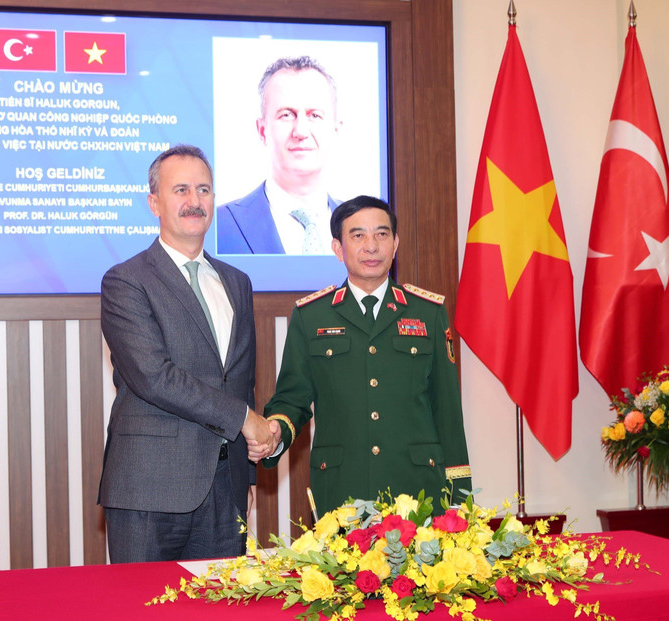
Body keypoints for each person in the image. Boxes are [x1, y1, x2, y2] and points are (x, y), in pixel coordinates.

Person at [98, 144, 278, 563]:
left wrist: (246, 475)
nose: (194, 201)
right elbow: (153, 376)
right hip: (149, 489)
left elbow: (240, 381)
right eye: (180, 190)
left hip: (225, 491)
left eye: (204, 190)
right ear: (154, 203)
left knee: (220, 600)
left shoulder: (237, 282)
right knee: (140, 600)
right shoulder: (126, 280)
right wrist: (245, 419)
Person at [262, 195, 472, 516]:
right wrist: (277, 430)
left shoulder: (428, 312)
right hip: (342, 490)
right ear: (338, 248)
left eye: (381, 234)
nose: (371, 246)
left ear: (395, 244)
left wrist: (459, 498)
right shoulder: (312, 316)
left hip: (417, 490)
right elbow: (292, 398)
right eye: (358, 235)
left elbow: (447, 411)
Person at [216, 56, 342, 255]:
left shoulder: (365, 224)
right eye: (286, 115)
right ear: (262, 130)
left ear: (335, 129)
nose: (301, 131)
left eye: (315, 115)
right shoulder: (219, 226)